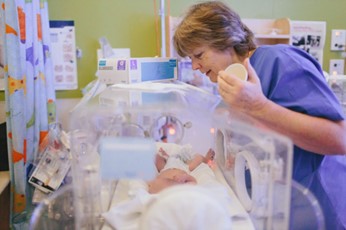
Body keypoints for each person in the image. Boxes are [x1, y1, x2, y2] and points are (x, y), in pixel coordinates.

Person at [173, 1, 346, 229]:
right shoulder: (235, 86)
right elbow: (256, 143)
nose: (194, 66)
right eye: (190, 59)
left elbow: (340, 139)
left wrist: (259, 106)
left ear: (224, 39)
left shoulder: (280, 61)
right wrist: (210, 163)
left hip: (314, 209)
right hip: (271, 211)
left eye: (198, 55)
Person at [147, 147, 215, 194]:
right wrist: (186, 177)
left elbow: (150, 183)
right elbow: (194, 182)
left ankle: (205, 159)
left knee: (155, 157)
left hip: (166, 167)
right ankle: (205, 159)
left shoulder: (156, 187)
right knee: (197, 158)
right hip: (183, 168)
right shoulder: (183, 188)